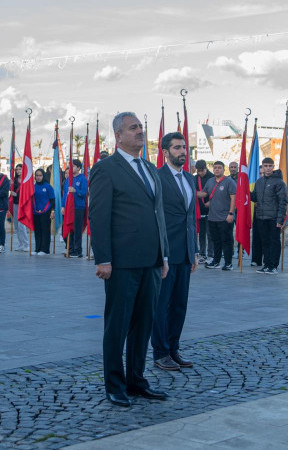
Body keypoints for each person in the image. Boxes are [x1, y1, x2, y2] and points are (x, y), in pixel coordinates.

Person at [89, 112, 169, 407]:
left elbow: (158, 215)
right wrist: (103, 258)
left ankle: (136, 380)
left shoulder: (149, 168)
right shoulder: (105, 168)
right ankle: (115, 384)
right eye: (133, 127)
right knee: (118, 326)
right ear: (118, 135)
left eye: (141, 127)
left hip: (151, 261)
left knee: (143, 325)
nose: (140, 131)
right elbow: (98, 216)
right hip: (121, 262)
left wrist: (164, 255)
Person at [152, 132, 198, 371]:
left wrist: (195, 250)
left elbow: (191, 218)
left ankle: (173, 349)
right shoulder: (157, 177)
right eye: (177, 147)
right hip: (166, 253)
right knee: (161, 305)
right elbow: (155, 217)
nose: (182, 152)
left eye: (184, 147)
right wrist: (161, 254)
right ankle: (160, 352)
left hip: (186, 253)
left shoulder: (190, 178)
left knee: (180, 305)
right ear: (165, 152)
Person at [251, 157, 287, 274]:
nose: (267, 168)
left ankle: (273, 266)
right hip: (261, 217)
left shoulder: (279, 182)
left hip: (273, 218)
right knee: (264, 242)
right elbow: (255, 197)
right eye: (265, 166)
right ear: (262, 167)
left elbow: (282, 202)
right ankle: (266, 264)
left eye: (270, 166)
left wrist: (280, 219)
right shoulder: (259, 182)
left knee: (274, 242)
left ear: (273, 167)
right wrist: (245, 191)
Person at [203, 161, 237, 270]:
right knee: (215, 241)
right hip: (212, 217)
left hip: (225, 217)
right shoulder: (210, 181)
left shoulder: (229, 181)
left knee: (226, 241)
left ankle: (228, 263)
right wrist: (192, 192)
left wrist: (231, 213)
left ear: (223, 169)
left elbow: (233, 198)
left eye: (219, 168)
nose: (217, 169)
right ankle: (216, 262)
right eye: (215, 168)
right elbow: (204, 193)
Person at [62, 159, 88, 258]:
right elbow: (65, 194)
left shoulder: (82, 179)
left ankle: (78, 251)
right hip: (69, 207)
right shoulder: (68, 179)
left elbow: (84, 193)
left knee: (77, 229)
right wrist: (63, 206)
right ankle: (70, 249)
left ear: (78, 167)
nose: (71, 168)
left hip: (78, 207)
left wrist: (75, 191)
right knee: (69, 228)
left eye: (73, 166)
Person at [193, 160, 214, 263]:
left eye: (202, 170)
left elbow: (216, 192)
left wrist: (211, 202)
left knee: (210, 233)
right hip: (199, 209)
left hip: (211, 208)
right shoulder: (195, 178)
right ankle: (202, 254)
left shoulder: (212, 177)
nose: (200, 173)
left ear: (206, 168)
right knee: (201, 233)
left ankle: (211, 254)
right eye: (198, 171)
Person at [32, 168, 55, 255]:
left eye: (40, 175)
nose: (38, 177)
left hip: (46, 212)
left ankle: (45, 250)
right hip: (35, 212)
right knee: (37, 230)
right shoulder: (33, 186)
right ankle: (37, 249)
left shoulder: (48, 186)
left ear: (43, 176)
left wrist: (52, 211)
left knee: (45, 230)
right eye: (37, 175)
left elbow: (52, 200)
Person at [10, 164, 29, 252]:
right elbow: (10, 190)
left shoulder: (26, 180)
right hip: (15, 204)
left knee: (22, 225)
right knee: (16, 226)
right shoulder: (14, 180)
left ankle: (26, 244)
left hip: (23, 205)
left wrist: (17, 195)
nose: (18, 171)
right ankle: (21, 244)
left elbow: (27, 193)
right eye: (17, 169)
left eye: (20, 169)